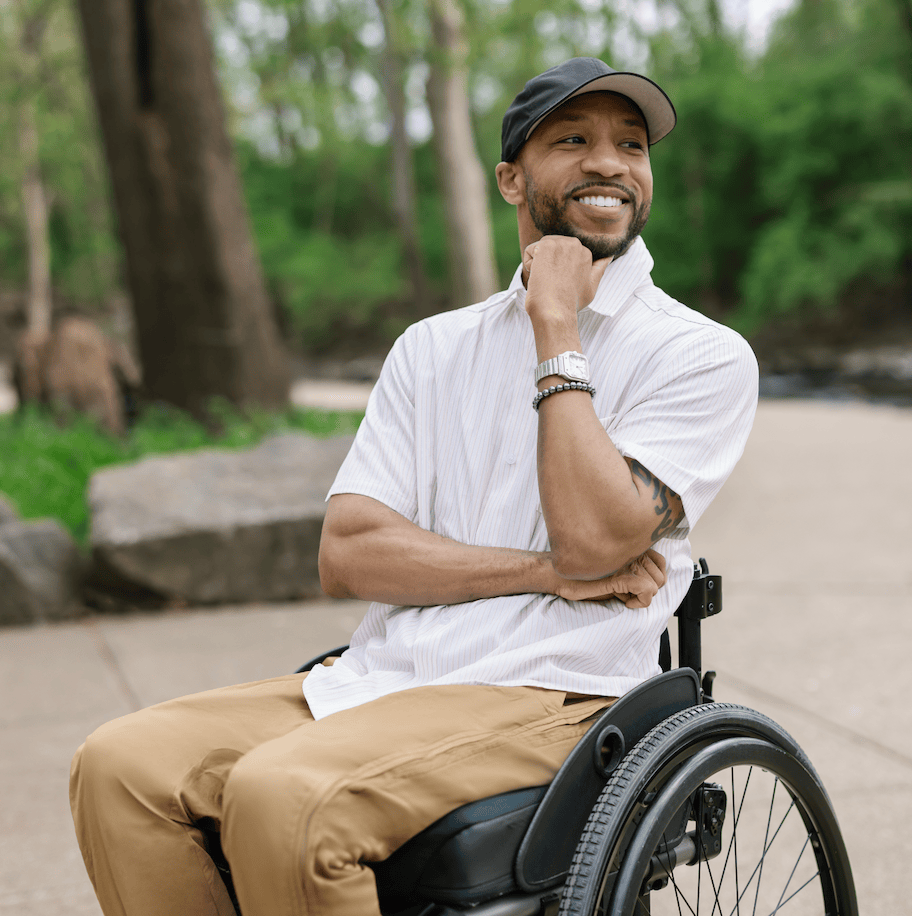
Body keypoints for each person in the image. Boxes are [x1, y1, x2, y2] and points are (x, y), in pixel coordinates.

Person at [70, 58, 758, 916]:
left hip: (558, 691)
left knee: (288, 796)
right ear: (511, 178)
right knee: (118, 766)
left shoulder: (700, 355)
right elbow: (351, 552)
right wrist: (541, 572)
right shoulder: (432, 349)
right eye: (573, 140)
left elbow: (595, 539)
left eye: (631, 144)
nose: (611, 162)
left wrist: (556, 328)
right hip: (385, 673)